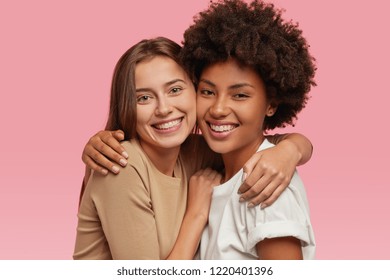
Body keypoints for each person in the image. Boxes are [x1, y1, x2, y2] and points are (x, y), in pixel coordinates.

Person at [178, 0, 316, 259]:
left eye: (240, 95)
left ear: (271, 105)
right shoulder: (211, 172)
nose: (218, 109)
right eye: (207, 91)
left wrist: (293, 149)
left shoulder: (265, 186)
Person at [74, 37, 223, 259]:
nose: (164, 109)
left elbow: (258, 146)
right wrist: (197, 213)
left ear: (195, 90)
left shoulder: (194, 151)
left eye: (174, 89)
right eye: (144, 98)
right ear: (127, 107)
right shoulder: (122, 164)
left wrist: (291, 149)